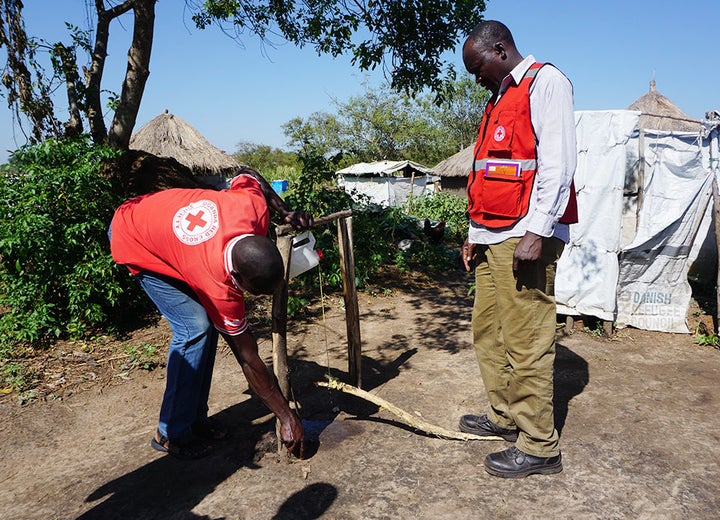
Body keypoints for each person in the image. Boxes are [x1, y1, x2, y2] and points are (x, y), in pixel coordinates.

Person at [110, 166, 313, 460]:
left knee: (206, 327)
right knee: (194, 328)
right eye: (253, 293)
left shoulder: (250, 207)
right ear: (238, 279)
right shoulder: (217, 286)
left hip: (161, 223)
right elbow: (247, 356)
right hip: (133, 232)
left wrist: (284, 210)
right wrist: (286, 417)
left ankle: (194, 418)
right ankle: (170, 432)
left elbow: (247, 173)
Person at [458, 20, 578, 478]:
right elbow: (489, 172)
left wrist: (538, 230)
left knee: (526, 340)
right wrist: (472, 234)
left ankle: (539, 445)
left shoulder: (546, 82)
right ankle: (504, 415)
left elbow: (558, 162)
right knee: (488, 331)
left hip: (524, 236)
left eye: (478, 67)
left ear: (500, 48)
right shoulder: (497, 98)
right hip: (490, 236)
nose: (476, 78)